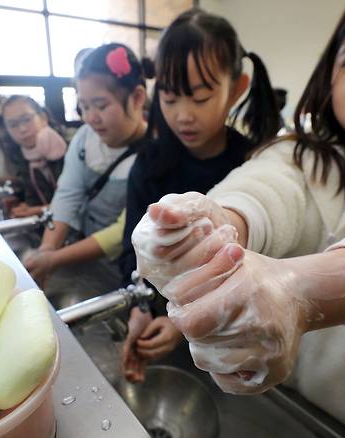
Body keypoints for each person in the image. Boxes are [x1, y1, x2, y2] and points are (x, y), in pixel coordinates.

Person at [131, 1, 345, 437]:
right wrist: (216, 225)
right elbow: (267, 188)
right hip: (284, 408)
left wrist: (301, 291)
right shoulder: (300, 152)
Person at [119, 8, 282, 383]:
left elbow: (252, 265)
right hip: (160, 323)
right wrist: (141, 307)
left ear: (236, 89)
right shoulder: (149, 165)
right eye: (171, 98)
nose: (183, 115)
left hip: (233, 337)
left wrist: (181, 324)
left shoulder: (254, 168)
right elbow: (132, 250)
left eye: (200, 97)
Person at [23, 43, 149, 307]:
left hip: (130, 270)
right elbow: (67, 195)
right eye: (84, 106)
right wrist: (47, 251)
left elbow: (121, 233)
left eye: (100, 105)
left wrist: (54, 259)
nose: (91, 117)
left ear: (137, 99)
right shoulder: (84, 139)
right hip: (83, 258)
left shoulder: (153, 154)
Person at [1, 96, 67, 218]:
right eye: (13, 125)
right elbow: (33, 199)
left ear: (43, 118)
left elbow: (78, 201)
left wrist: (38, 210)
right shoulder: (22, 156)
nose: (22, 129)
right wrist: (26, 207)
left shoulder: (68, 146)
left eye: (26, 119)